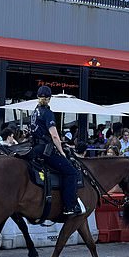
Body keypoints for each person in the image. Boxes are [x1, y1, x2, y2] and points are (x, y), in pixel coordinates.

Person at [29, 85, 81, 216]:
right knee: (71, 172)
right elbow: (54, 135)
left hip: (35, 148)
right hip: (46, 150)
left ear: (38, 97)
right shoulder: (48, 113)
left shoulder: (35, 112)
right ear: (49, 98)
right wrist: (62, 152)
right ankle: (69, 206)